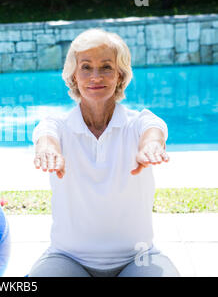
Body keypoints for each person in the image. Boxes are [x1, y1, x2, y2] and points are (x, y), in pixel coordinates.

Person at [29, 28, 180, 277]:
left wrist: (151, 146)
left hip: (138, 258)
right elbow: (46, 137)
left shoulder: (138, 122)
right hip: (68, 258)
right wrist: (48, 150)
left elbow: (154, 130)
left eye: (106, 67)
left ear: (120, 75)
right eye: (86, 67)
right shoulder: (57, 125)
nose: (95, 76)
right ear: (74, 76)